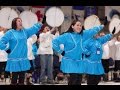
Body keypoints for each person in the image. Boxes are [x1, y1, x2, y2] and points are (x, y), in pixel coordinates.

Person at [52, 20, 104, 85]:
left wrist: (102, 25)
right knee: (74, 78)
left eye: (80, 25)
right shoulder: (66, 35)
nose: (79, 27)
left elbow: (92, 31)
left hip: (79, 61)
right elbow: (54, 42)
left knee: (79, 79)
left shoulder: (83, 35)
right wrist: (61, 51)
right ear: (72, 26)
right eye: (77, 25)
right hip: (70, 61)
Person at [0, 17, 42, 85]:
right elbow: (1, 42)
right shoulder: (10, 32)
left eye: (21, 21)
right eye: (19, 21)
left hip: (23, 58)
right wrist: (6, 49)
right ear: (14, 23)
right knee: (14, 78)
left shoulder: (24, 32)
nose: (21, 22)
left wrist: (39, 24)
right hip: (14, 57)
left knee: (22, 78)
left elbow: (32, 29)